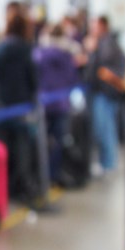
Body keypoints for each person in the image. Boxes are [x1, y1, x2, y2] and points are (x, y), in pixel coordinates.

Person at [0, 12, 40, 203]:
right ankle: (20, 186)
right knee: (22, 149)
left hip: (2, 106)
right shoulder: (26, 49)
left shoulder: (0, 48)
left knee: (4, 149)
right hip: (21, 106)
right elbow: (33, 78)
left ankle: (4, 188)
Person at [34, 23, 81, 183]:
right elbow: (72, 78)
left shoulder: (39, 54)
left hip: (43, 103)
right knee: (58, 142)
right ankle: (53, 174)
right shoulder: (66, 55)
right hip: (61, 104)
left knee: (42, 142)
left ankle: (40, 174)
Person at [85, 15, 125, 173]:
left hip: (105, 93)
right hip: (106, 93)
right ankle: (107, 162)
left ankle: (108, 163)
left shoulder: (106, 44)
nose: (92, 28)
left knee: (104, 129)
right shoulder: (109, 42)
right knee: (105, 128)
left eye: (94, 25)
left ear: (103, 26)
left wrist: (91, 51)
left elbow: (100, 67)